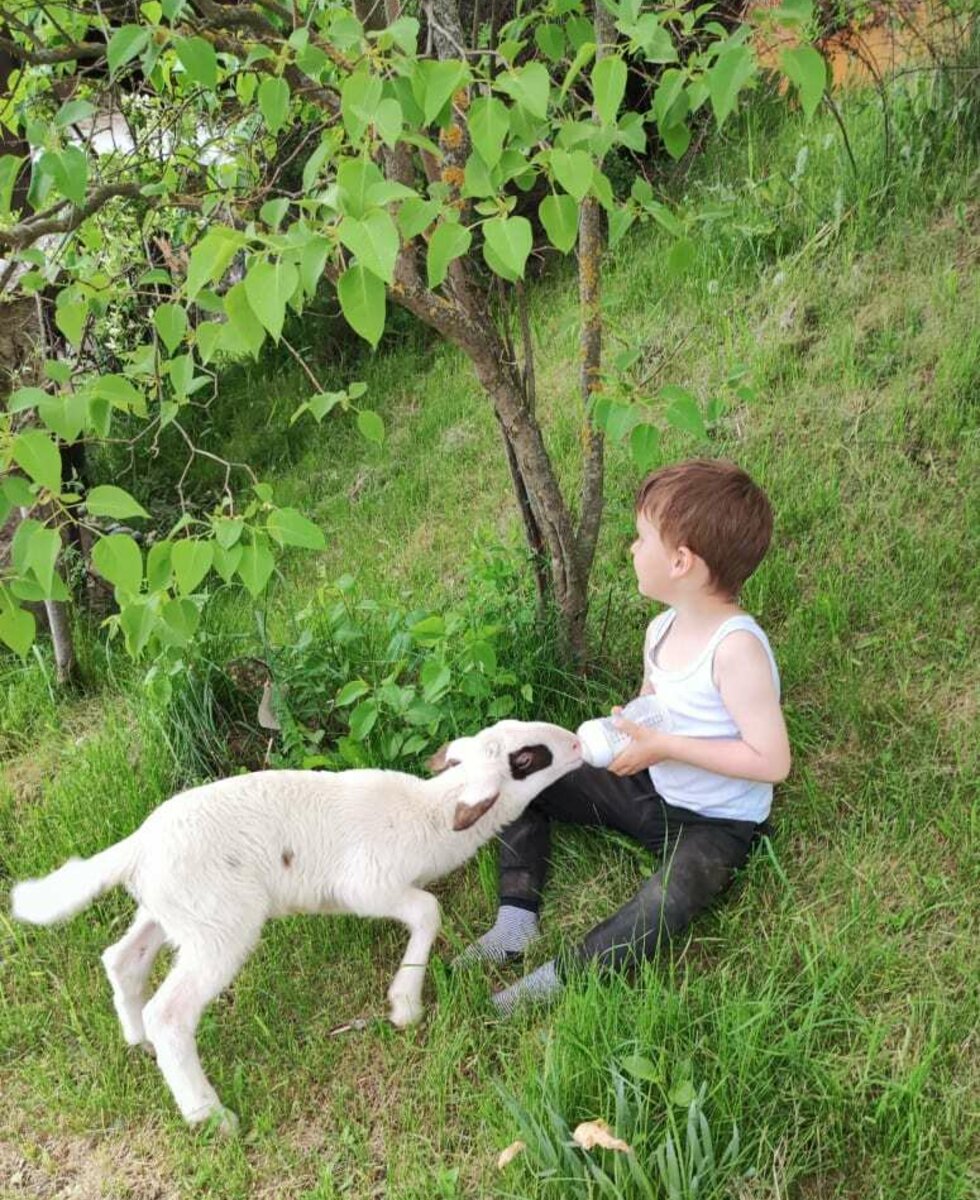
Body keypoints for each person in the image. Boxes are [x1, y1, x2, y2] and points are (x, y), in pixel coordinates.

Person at [454, 458, 791, 1014]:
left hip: (716, 823)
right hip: (651, 787)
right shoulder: (661, 628)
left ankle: (555, 980)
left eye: (640, 540)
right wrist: (628, 730)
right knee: (526, 775)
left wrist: (666, 747)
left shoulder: (736, 649)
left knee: (665, 901)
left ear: (682, 561)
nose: (631, 550)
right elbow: (656, 704)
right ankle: (516, 922)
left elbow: (771, 760)